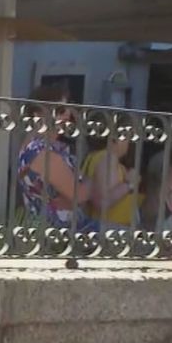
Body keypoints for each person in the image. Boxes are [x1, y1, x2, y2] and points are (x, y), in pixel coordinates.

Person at [17, 83, 99, 232]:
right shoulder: (42, 153)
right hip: (62, 232)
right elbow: (79, 195)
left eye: (69, 108)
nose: (67, 114)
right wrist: (89, 181)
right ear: (38, 114)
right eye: (60, 110)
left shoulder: (37, 146)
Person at [81, 136, 140, 228]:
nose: (129, 144)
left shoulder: (93, 157)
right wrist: (129, 184)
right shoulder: (108, 158)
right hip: (109, 229)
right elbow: (102, 202)